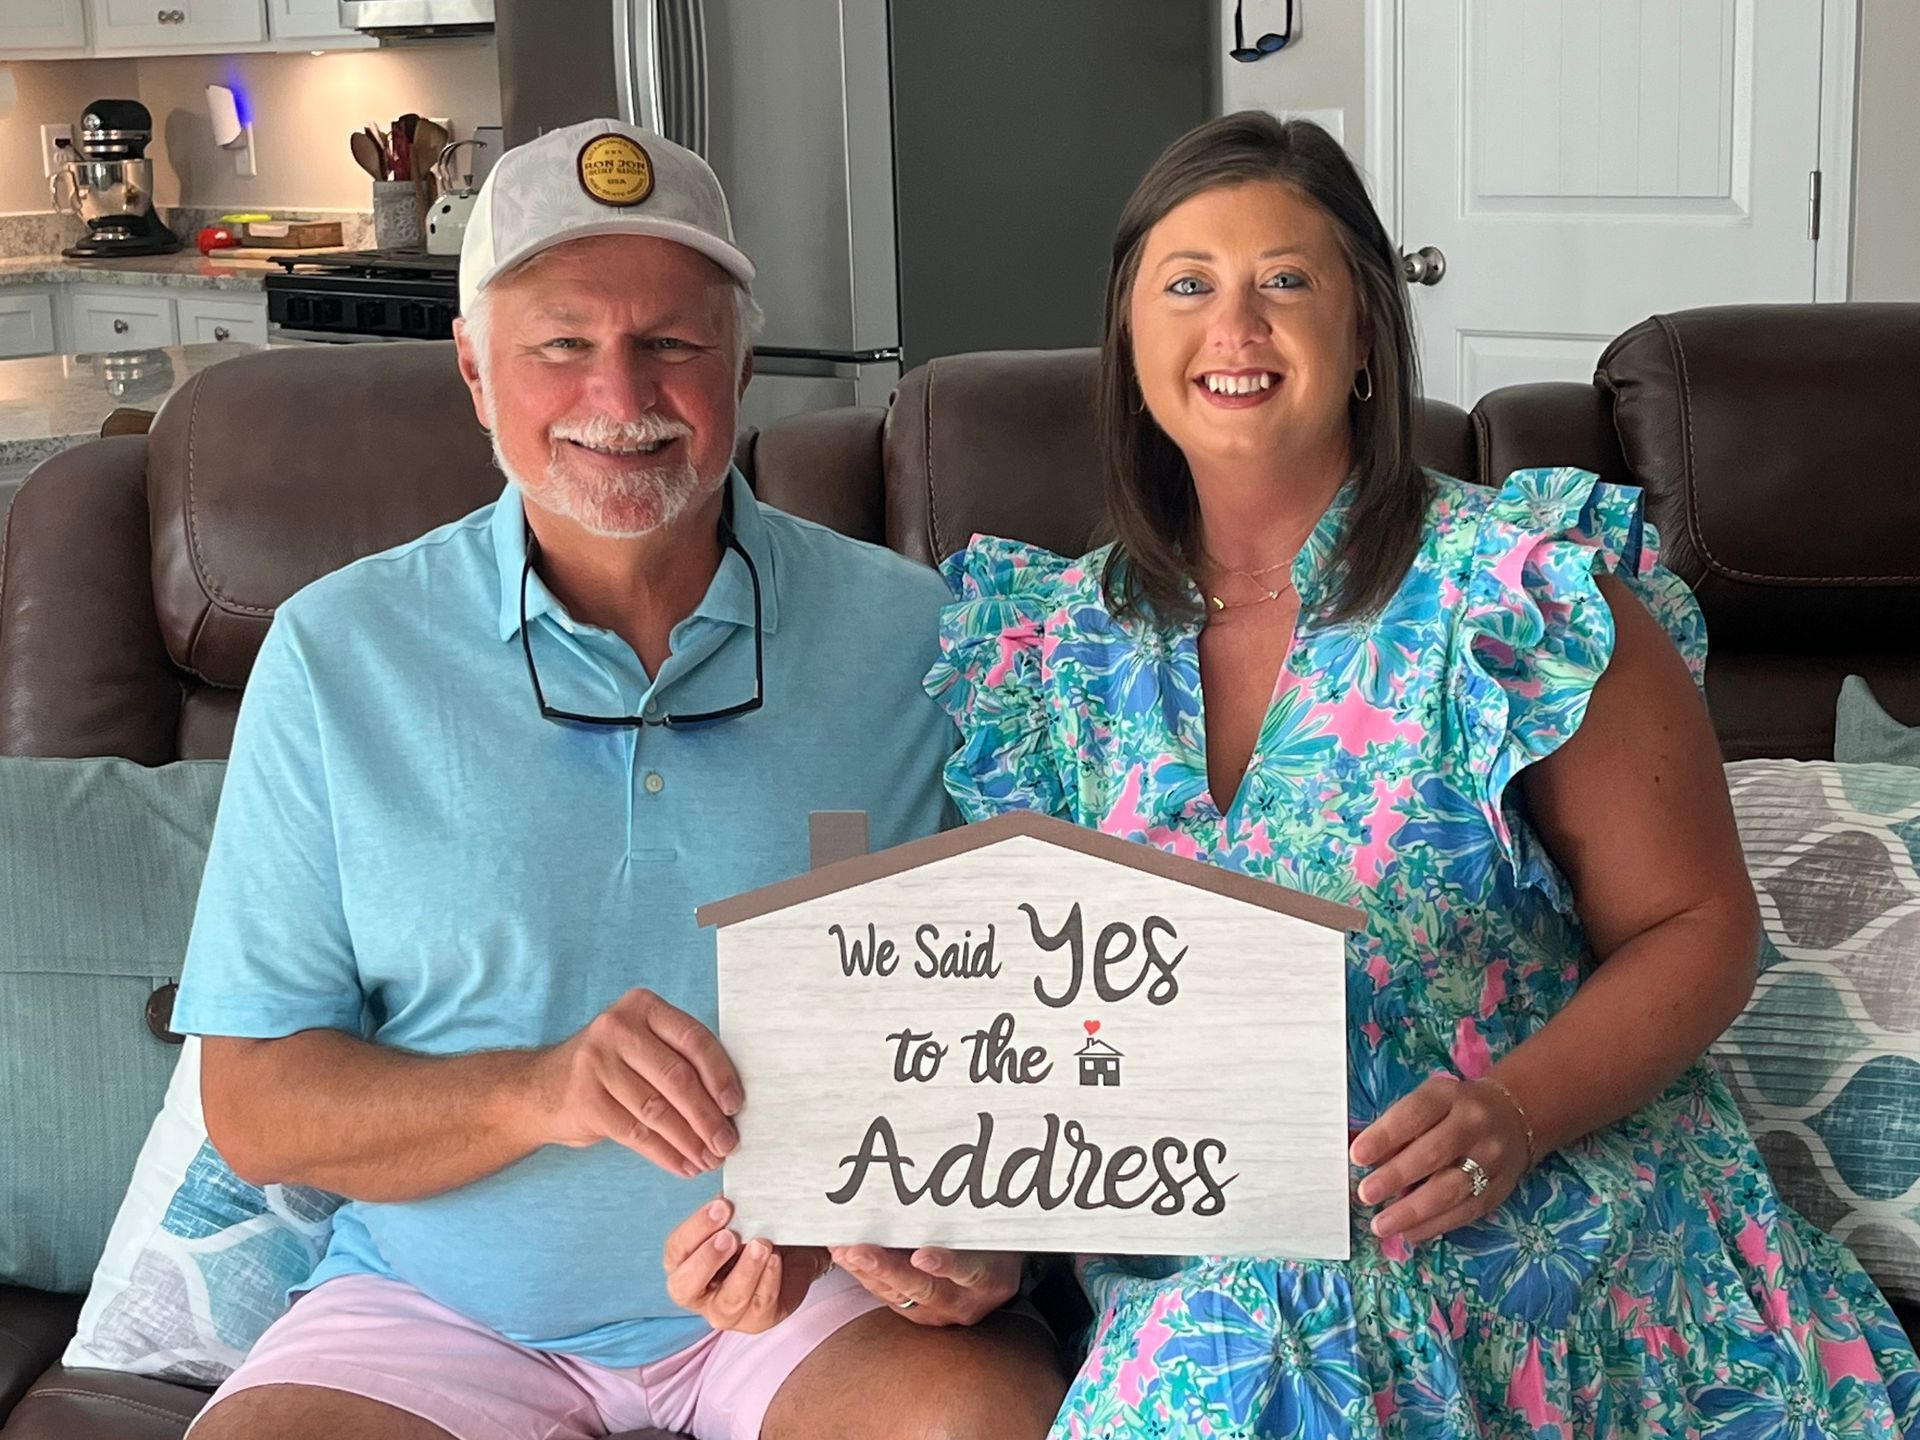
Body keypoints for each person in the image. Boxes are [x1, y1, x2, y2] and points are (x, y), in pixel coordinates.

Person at [923, 111, 1920, 1438]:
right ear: (1129, 339)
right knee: (1248, 1320)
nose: (1235, 326)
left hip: (1547, 1203)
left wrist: (1513, 1111)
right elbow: (1041, 1028)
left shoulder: (1516, 596)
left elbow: (1698, 930)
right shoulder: (1047, 652)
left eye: (1285, 280)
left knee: (1262, 1336)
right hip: (1219, 1252)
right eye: (1187, 285)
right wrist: (983, 1240)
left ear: (1364, 337)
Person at [173, 119, 1063, 1440]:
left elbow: (1044, 1019)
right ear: (475, 371)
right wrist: (541, 1091)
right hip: (436, 1307)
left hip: (819, 1301)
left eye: (672, 343)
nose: (620, 392)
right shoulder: (334, 654)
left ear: (742, 367)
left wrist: (982, 1242)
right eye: (561, 344)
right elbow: (254, 1106)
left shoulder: (921, 639)